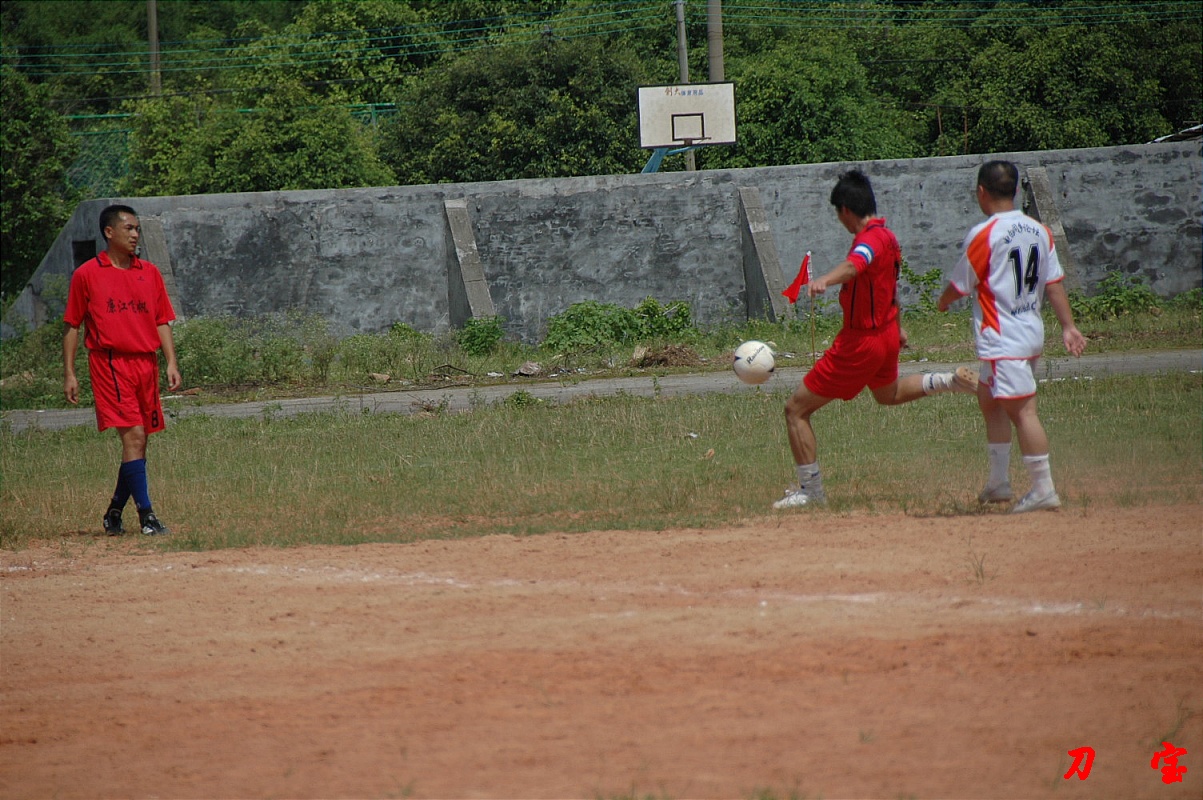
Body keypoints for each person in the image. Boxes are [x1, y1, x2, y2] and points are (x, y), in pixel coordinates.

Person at [774, 170, 978, 509]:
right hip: (885, 334)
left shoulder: (869, 240)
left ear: (845, 211)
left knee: (795, 409)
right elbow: (889, 287)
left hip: (861, 342)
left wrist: (825, 279)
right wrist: (897, 327)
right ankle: (948, 381)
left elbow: (856, 265)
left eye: (837, 214)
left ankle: (811, 491)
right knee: (888, 394)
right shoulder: (890, 237)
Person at [937, 160, 1087, 513]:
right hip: (1028, 331)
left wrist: (943, 301)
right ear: (1017, 190)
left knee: (1023, 412)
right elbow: (1054, 283)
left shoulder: (985, 233)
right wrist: (1068, 326)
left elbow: (962, 284)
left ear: (981, 192)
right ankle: (998, 482)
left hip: (1004, 337)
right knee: (990, 400)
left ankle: (1043, 489)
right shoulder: (1039, 230)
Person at [63, 204, 182, 535]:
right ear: (109, 232)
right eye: (128, 228)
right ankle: (147, 517)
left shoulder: (149, 272)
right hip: (111, 363)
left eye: (137, 229)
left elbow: (161, 320)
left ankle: (114, 511)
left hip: (146, 363)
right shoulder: (87, 274)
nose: (135, 234)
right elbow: (72, 325)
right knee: (134, 436)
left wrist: (171, 361)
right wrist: (70, 373)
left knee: (139, 444)